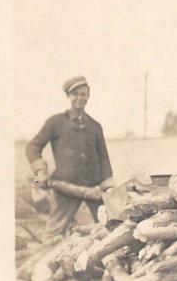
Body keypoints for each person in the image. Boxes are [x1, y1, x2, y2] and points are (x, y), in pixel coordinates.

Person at [26, 76, 115, 239]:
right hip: (65, 187)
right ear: (69, 96)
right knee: (52, 235)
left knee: (108, 227)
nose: (79, 98)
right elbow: (33, 147)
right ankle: (44, 262)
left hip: (94, 189)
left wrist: (108, 184)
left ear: (88, 96)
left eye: (83, 94)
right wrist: (40, 172)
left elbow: (103, 157)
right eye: (75, 94)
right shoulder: (55, 122)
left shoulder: (95, 126)